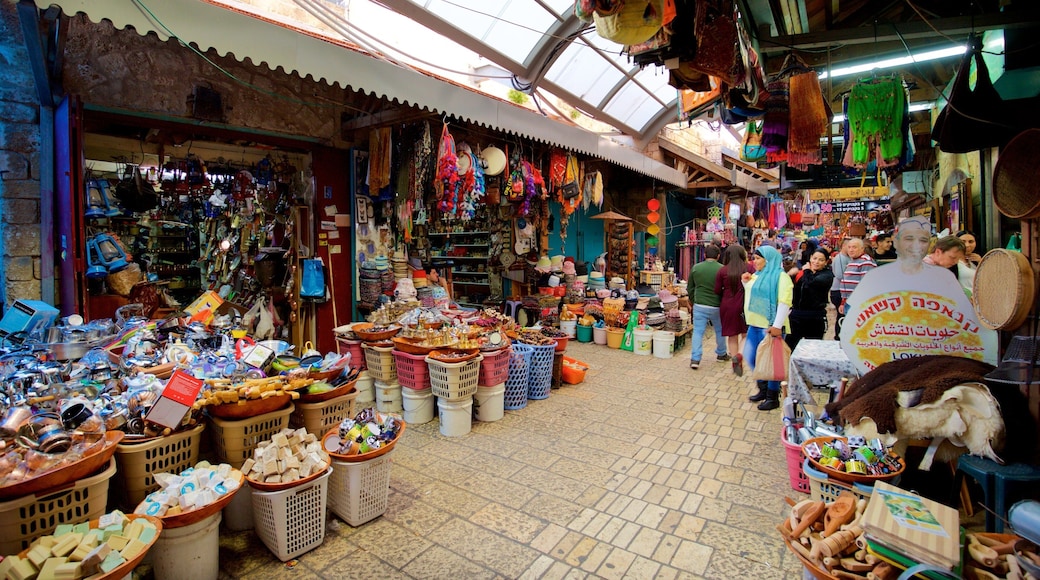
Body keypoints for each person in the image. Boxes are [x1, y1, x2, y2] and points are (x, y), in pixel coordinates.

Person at [742, 245, 793, 411]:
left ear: (768, 259)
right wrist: (745, 282)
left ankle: (772, 397)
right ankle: (762, 389)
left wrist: (777, 325)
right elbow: (752, 295)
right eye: (754, 258)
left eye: (758, 258)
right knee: (751, 357)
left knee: (773, 363)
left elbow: (785, 302)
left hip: (770, 327)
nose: (754, 262)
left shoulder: (781, 277)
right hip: (754, 324)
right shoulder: (758, 275)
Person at [686, 244, 727, 369]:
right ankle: (721, 354)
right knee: (720, 330)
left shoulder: (696, 268)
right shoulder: (722, 269)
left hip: (700, 305)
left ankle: (695, 359)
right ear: (718, 256)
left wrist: (693, 300)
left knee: (698, 331)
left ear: (704, 255)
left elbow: (690, 287)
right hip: (717, 305)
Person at [785, 248, 834, 351]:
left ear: (826, 262)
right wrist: (790, 275)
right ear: (810, 258)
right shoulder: (802, 272)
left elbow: (810, 284)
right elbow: (790, 287)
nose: (816, 262)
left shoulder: (827, 275)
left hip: (815, 318)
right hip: (796, 316)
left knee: (813, 350)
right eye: (814, 258)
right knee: (789, 348)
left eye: (821, 260)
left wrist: (806, 270)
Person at [715, 244, 750, 376]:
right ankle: (740, 354)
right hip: (745, 305)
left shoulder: (722, 271)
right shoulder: (749, 268)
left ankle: (735, 360)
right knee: (746, 334)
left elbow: (717, 290)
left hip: (727, 305)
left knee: (732, 335)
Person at [839, 238, 876, 315]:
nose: (851, 250)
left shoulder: (866, 261)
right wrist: (843, 302)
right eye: (849, 247)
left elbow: (866, 284)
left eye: (854, 247)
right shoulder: (852, 261)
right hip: (849, 301)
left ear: (862, 249)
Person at [829, 239, 850, 339]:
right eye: (849, 247)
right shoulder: (840, 259)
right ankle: (838, 337)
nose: (851, 249)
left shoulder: (846, 258)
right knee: (841, 315)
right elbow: (839, 275)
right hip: (839, 291)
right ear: (844, 246)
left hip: (843, 290)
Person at [954, 230, 981, 297]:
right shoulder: (951, 262)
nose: (967, 245)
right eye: (963, 242)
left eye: (971, 242)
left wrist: (981, 262)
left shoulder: (976, 260)